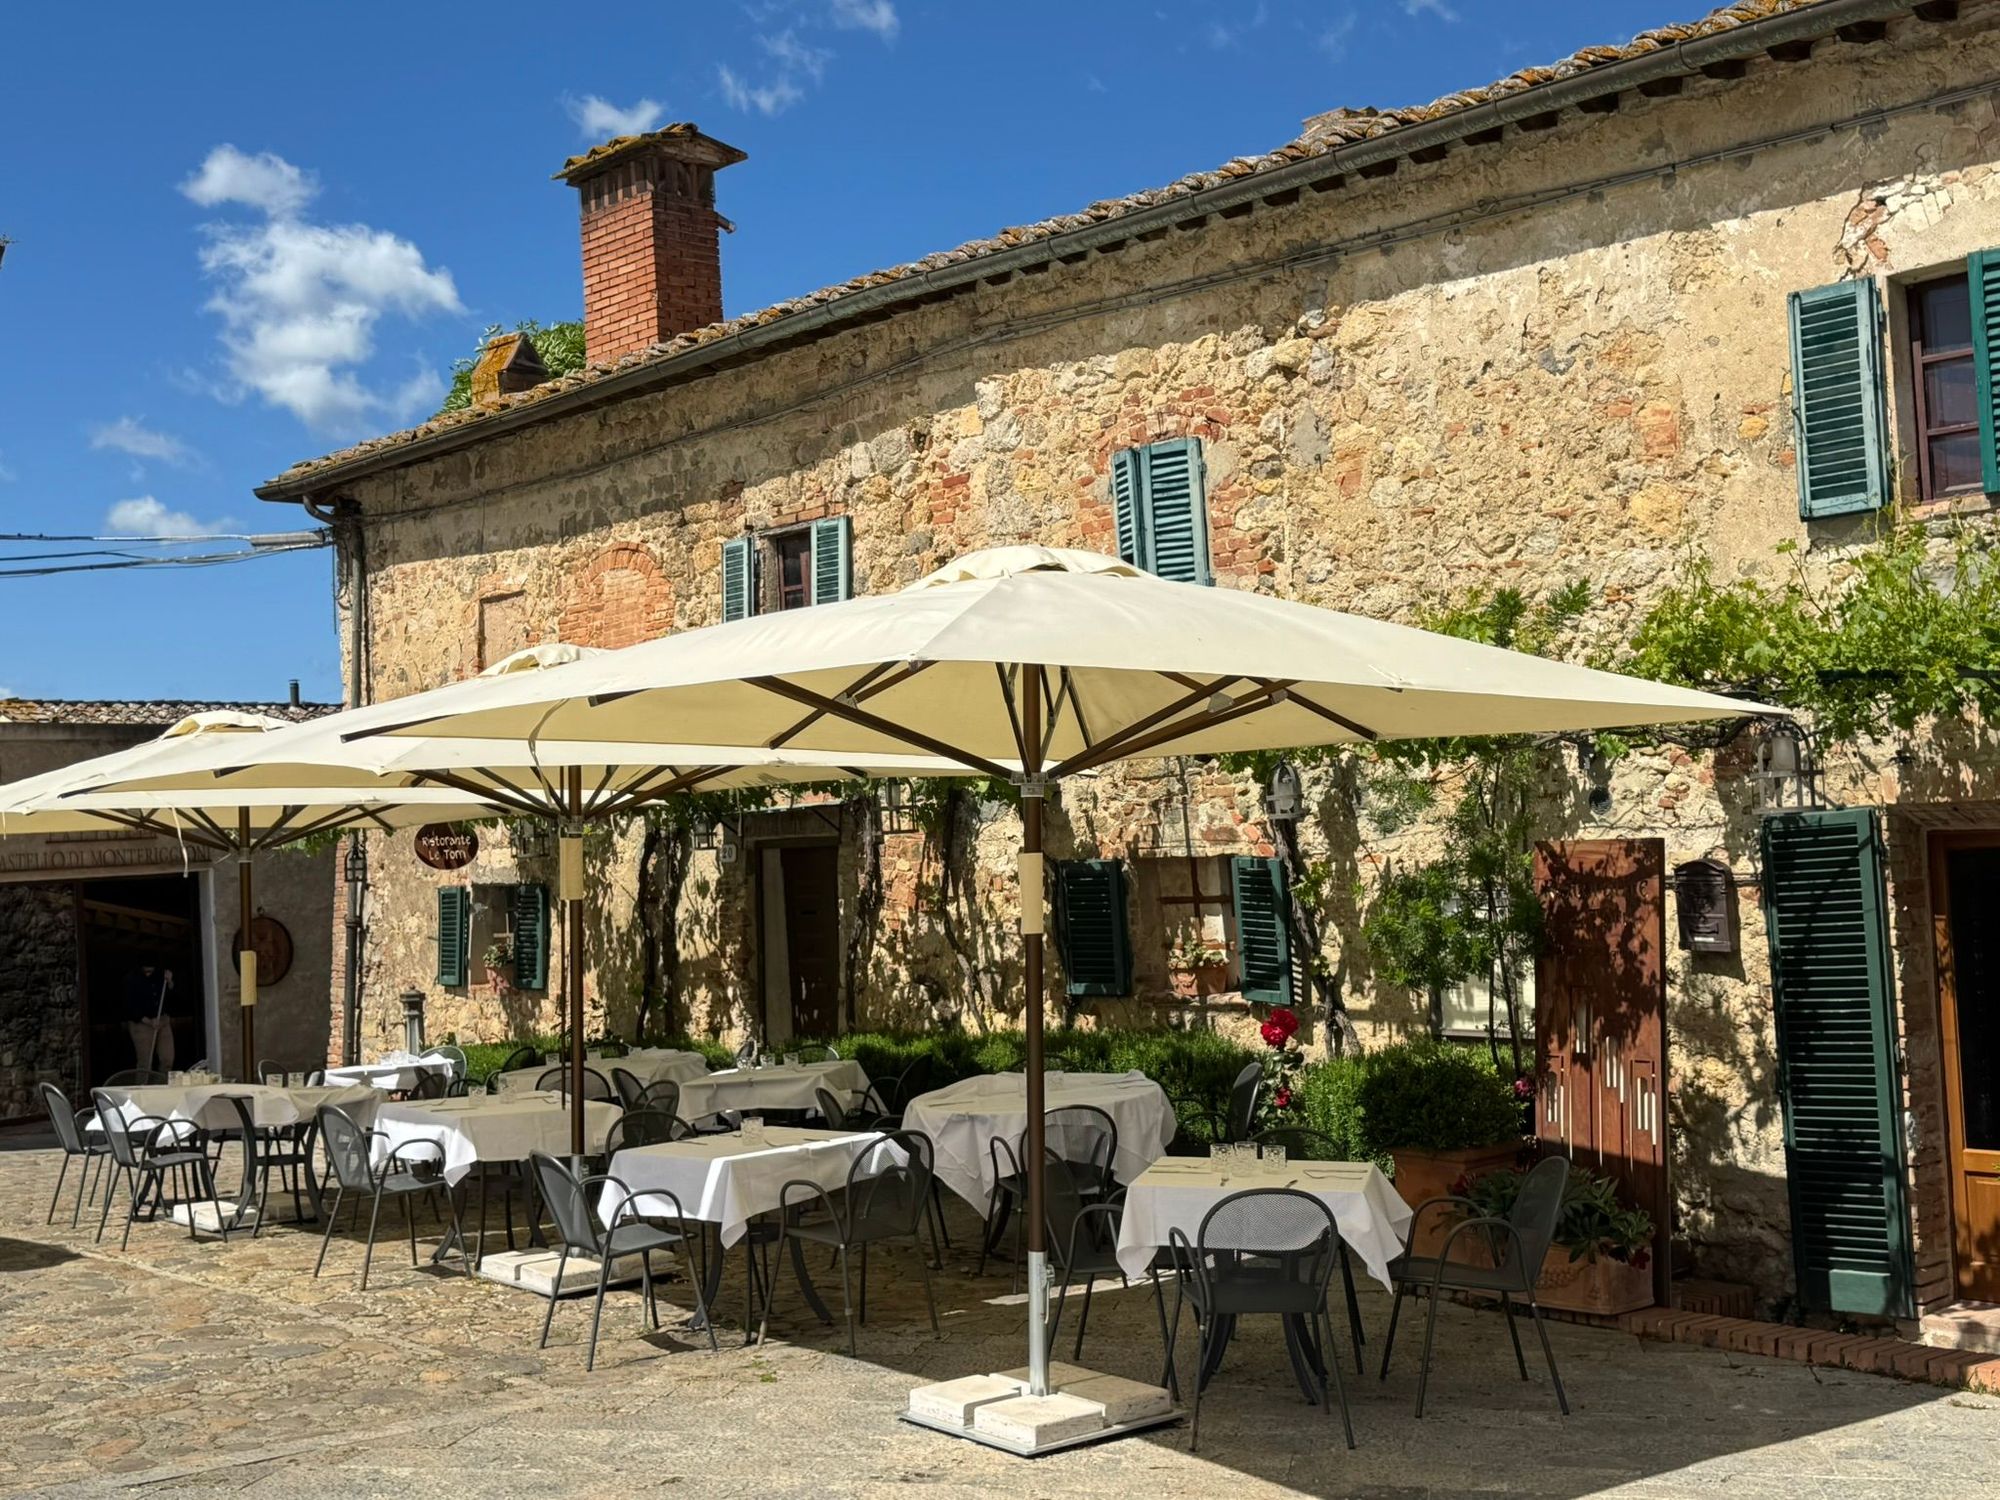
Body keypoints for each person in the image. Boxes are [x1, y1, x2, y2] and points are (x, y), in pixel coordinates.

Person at [123, 963, 175, 1074]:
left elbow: (172, 996)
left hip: (162, 1020)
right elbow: (130, 1006)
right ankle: (143, 1083)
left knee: (167, 1059)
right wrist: (149, 1021)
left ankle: (162, 1083)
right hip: (142, 1023)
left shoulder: (161, 974)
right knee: (145, 1063)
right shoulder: (132, 978)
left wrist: (170, 982)